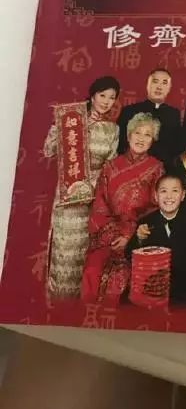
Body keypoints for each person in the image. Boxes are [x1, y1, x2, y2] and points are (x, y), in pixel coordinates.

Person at [43, 75, 120, 299]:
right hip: (67, 198)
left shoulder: (112, 130)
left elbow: (110, 168)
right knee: (64, 251)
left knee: (85, 254)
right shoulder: (72, 120)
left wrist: (92, 188)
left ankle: (80, 304)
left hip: (93, 200)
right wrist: (59, 125)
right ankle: (58, 301)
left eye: (112, 98)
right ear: (92, 96)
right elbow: (48, 151)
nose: (106, 102)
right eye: (102, 95)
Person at [81, 113, 164, 303]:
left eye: (147, 135)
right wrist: (114, 234)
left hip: (138, 237)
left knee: (121, 278)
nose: (141, 138)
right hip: (108, 235)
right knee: (92, 270)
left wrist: (129, 235)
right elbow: (100, 206)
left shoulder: (156, 168)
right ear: (128, 135)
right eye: (137, 133)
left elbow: (155, 208)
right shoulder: (110, 167)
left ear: (153, 140)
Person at [126, 174, 186, 304]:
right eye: (163, 191)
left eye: (175, 191)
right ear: (155, 196)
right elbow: (129, 256)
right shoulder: (145, 222)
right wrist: (139, 238)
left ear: (183, 195)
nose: (169, 196)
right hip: (154, 294)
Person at [117, 68, 181, 165]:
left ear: (169, 88)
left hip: (163, 168)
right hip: (132, 166)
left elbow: (175, 148)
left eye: (164, 83)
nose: (159, 87)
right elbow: (121, 145)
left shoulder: (174, 114)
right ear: (148, 84)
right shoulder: (129, 111)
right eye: (155, 81)